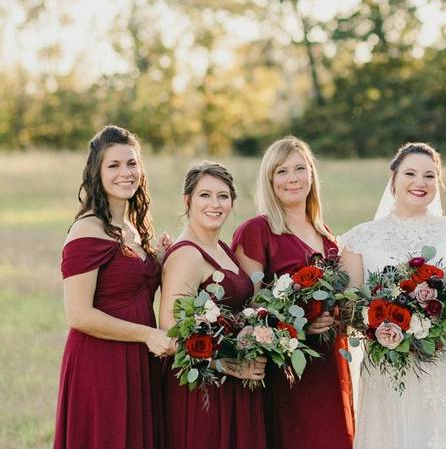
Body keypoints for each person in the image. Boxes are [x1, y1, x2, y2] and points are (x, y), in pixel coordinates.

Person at [339, 142, 446, 448]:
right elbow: (350, 306)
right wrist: (392, 333)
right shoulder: (360, 239)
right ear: (394, 178)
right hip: (391, 359)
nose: (420, 183)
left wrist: (440, 333)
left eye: (430, 175)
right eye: (410, 173)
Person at [54, 125, 173, 449]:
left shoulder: (134, 228)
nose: (126, 172)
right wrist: (148, 335)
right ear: (97, 172)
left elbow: (132, 284)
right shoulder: (86, 230)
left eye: (132, 163)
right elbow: (78, 315)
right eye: (114, 165)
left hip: (139, 361)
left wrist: (159, 259)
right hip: (101, 362)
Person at [232, 137, 354, 449]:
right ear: (270, 180)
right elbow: (247, 308)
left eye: (300, 169)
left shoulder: (326, 235)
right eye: (282, 171)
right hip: (286, 370)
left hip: (329, 363)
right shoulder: (257, 230)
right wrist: (300, 325)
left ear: (312, 175)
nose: (293, 178)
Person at [160, 162, 266, 449]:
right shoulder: (187, 255)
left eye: (223, 196)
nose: (215, 204)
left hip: (234, 383)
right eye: (205, 195)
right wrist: (224, 364)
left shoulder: (222, 249)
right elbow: (170, 331)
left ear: (232, 202)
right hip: (203, 390)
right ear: (187, 201)